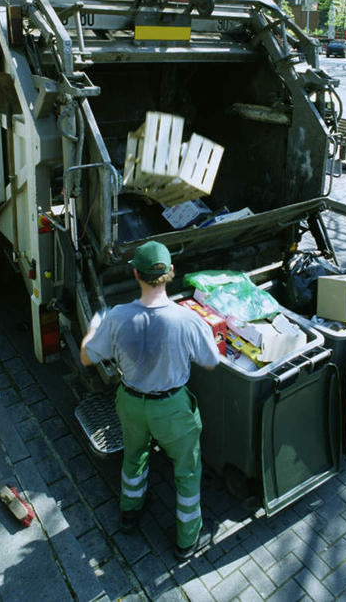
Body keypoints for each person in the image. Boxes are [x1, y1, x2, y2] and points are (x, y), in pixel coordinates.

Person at [80, 240, 220, 561]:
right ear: (171, 272)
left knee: (134, 456)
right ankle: (186, 540)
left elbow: (88, 356)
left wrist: (93, 328)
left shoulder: (117, 316)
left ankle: (130, 513)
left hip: (130, 403)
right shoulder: (187, 320)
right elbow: (210, 360)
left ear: (135, 275)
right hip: (173, 409)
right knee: (186, 471)